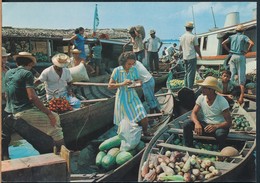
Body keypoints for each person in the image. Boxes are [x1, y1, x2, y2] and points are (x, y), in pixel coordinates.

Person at [3, 52, 65, 159]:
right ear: (31, 63)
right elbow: (32, 97)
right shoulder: (27, 74)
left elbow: (6, 94)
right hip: (23, 111)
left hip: (9, 110)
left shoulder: (9, 72)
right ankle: (63, 154)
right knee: (55, 120)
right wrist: (48, 113)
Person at [108, 51, 152, 136]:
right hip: (122, 97)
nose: (131, 66)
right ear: (123, 62)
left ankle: (145, 132)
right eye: (129, 64)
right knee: (125, 119)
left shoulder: (134, 69)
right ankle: (127, 135)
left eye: (133, 64)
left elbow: (137, 80)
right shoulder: (117, 70)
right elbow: (110, 86)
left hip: (132, 95)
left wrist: (138, 83)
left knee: (143, 114)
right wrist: (122, 83)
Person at [183, 76, 232, 149]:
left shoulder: (222, 101)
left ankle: (221, 149)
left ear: (211, 90)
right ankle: (188, 146)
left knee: (220, 134)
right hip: (205, 125)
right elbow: (193, 113)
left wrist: (215, 126)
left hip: (218, 127)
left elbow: (229, 123)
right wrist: (197, 123)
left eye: (204, 88)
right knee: (187, 123)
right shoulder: (201, 98)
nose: (202, 89)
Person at [222, 24, 254, 105]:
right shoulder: (244, 37)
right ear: (243, 31)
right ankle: (241, 97)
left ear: (236, 31)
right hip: (240, 56)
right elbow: (252, 43)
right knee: (241, 77)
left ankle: (231, 95)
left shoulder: (232, 37)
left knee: (231, 76)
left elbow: (223, 43)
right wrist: (247, 51)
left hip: (232, 56)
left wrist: (229, 50)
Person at [179, 22, 202, 89]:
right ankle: (189, 88)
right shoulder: (193, 37)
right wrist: (200, 55)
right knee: (191, 74)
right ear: (192, 29)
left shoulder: (182, 37)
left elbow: (180, 48)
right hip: (191, 57)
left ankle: (185, 87)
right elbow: (196, 48)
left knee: (186, 73)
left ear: (186, 28)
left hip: (185, 57)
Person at [1, 47, 10, 118]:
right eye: (3, 57)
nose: (5, 59)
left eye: (5, 57)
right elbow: (2, 93)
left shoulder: (7, 69)